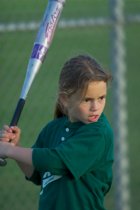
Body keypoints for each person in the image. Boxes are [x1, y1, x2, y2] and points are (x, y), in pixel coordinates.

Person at [0, 54, 114, 210]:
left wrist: (10, 150)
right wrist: (16, 146)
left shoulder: (97, 133)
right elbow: (35, 173)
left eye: (101, 98)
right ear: (65, 99)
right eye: (87, 100)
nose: (96, 107)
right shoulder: (52, 129)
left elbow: (57, 162)